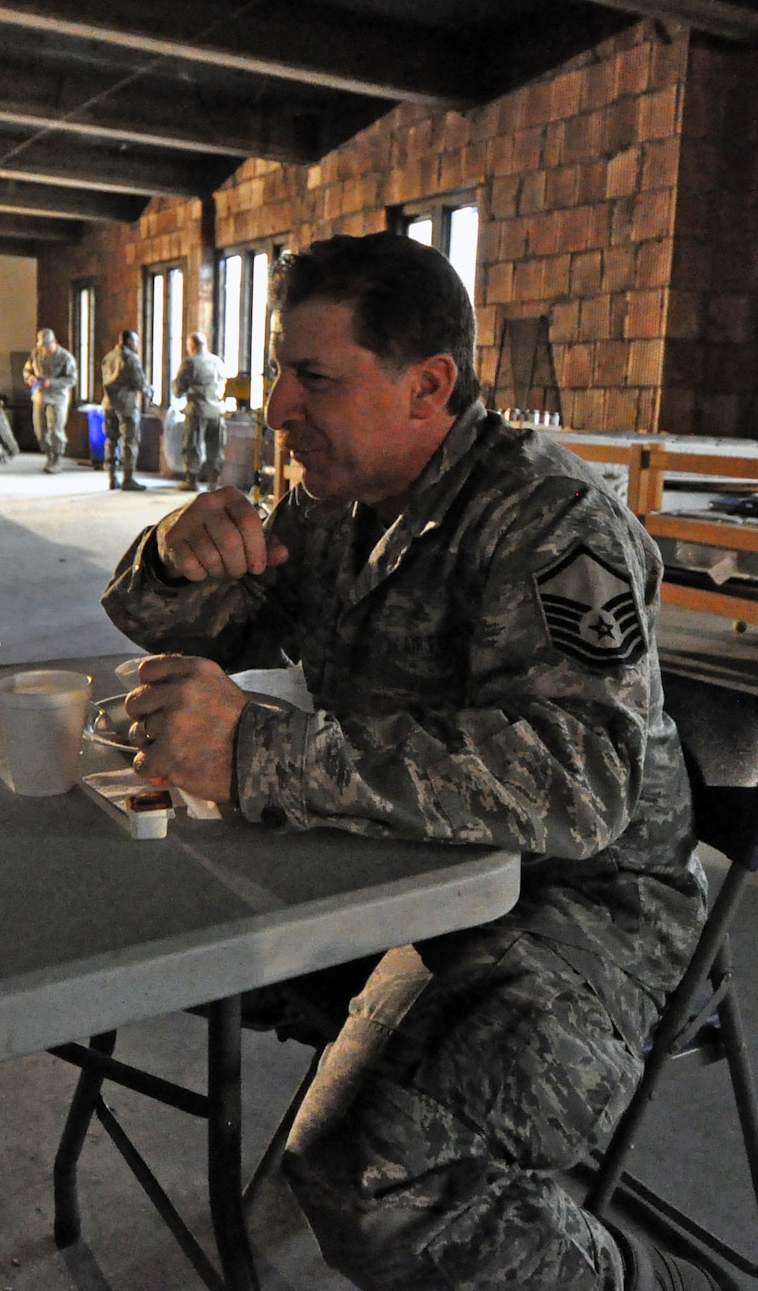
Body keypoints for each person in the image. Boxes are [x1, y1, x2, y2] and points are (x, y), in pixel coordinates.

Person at [101, 234, 718, 1291]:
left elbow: (584, 781)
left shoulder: (556, 525)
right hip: (405, 870)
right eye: (279, 373)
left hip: (584, 914)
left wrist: (258, 748)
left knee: (370, 1172)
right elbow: (200, 623)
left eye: (314, 377)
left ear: (427, 384)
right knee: (139, 928)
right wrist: (172, 555)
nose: (280, 408)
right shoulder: (331, 505)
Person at [172, 331, 228, 490]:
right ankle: (213, 483)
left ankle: (192, 481)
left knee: (192, 446)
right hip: (217, 411)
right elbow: (223, 385)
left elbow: (178, 389)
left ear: (192, 346)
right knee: (215, 449)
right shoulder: (217, 362)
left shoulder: (190, 363)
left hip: (197, 410)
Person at [99, 328, 150, 491]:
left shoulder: (108, 357)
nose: (137, 345)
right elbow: (139, 383)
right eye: (135, 341)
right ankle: (128, 478)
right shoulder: (131, 358)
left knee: (111, 441)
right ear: (129, 341)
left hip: (108, 403)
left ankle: (112, 476)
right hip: (126, 406)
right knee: (130, 441)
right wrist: (150, 392)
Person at [23, 327, 78, 474]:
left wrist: (52, 382)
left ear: (55, 342)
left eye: (47, 346)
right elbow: (27, 370)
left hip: (57, 397)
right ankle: (48, 454)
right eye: (42, 346)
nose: (45, 349)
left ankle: (56, 458)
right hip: (40, 396)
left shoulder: (65, 357)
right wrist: (30, 378)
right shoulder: (35, 354)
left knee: (55, 430)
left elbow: (71, 379)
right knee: (40, 430)